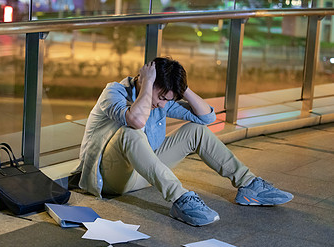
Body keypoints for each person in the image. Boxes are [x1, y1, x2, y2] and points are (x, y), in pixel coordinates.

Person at [74, 57, 293, 226]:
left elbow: (207, 117)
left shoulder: (163, 101)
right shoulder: (114, 92)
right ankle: (180, 198)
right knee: (130, 132)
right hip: (109, 179)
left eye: (166, 100)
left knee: (195, 130)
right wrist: (148, 82)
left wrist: (181, 88)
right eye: (160, 97)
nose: (161, 105)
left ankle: (248, 184)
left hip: (143, 174)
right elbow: (136, 120)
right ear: (144, 81)